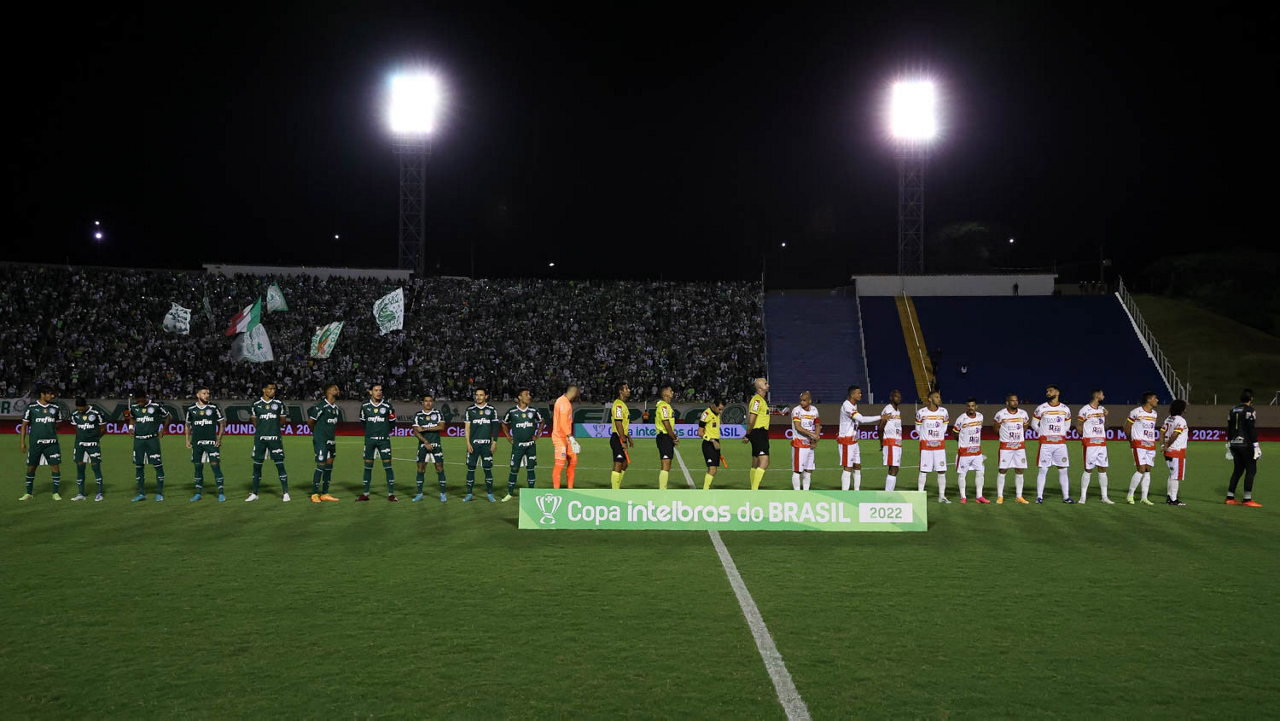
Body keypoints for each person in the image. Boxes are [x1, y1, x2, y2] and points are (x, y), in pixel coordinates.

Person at [19, 385, 63, 501]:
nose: (52, 396)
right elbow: (24, 426)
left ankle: (55, 493)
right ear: (42, 394)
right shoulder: (31, 407)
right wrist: (22, 442)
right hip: (36, 444)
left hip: (51, 444)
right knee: (31, 468)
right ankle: (28, 493)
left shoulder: (55, 408)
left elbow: (58, 425)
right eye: (50, 394)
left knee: (55, 467)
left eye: (53, 394)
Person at [248, 381, 289, 502]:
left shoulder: (279, 404)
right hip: (260, 439)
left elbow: (282, 421)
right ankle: (255, 493)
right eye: (270, 389)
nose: (273, 391)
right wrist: (262, 430)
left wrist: (273, 429)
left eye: (274, 389)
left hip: (275, 438)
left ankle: (285, 493)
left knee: (280, 464)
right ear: (264, 390)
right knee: (257, 466)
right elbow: (254, 421)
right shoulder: (256, 404)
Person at [1032, 384, 1073, 504]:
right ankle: (1039, 497)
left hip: (1060, 444)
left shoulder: (1065, 409)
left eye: (1050, 391)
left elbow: (1067, 426)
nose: (1048, 393)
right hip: (1045, 444)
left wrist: (1058, 434)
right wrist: (1043, 433)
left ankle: (1066, 497)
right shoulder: (1041, 408)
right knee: (1043, 470)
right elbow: (1034, 424)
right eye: (1047, 391)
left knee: (1063, 470)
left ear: (1057, 392)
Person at [501, 388, 545, 501]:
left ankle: (531, 492)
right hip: (518, 446)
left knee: (531, 468)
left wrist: (538, 434)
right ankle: (510, 493)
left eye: (529, 394)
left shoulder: (533, 411)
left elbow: (542, 421)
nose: (529, 396)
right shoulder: (512, 412)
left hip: (530, 445)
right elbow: (504, 423)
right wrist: (508, 436)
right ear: (520, 397)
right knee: (514, 469)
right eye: (526, 395)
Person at [357, 382, 398, 502]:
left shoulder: (388, 406)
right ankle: (365, 494)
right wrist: (371, 433)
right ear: (370, 392)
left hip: (384, 441)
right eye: (376, 390)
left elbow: (392, 423)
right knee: (368, 468)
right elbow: (363, 422)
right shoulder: (365, 406)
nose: (378, 392)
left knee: (388, 467)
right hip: (369, 441)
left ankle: (391, 494)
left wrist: (384, 432)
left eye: (380, 390)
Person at [185, 386, 226, 502]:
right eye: (204, 393)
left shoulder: (213, 408)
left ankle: (221, 493)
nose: (207, 395)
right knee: (198, 467)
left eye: (208, 393)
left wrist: (219, 439)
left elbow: (222, 423)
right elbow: (187, 425)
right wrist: (187, 440)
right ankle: (198, 493)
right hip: (197, 443)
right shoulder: (191, 409)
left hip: (211, 443)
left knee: (215, 466)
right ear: (198, 395)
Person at [127, 391, 169, 502]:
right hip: (138, 440)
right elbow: (132, 417)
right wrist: (131, 427)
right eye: (138, 401)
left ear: (146, 398)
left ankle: (160, 493)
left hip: (152, 440)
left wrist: (163, 429)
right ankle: (141, 494)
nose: (140, 403)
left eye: (142, 401)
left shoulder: (155, 406)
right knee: (139, 466)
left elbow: (168, 417)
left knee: (157, 465)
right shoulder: (134, 407)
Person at [837, 385, 880, 491]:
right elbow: (862, 419)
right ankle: (845, 493)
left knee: (857, 466)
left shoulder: (854, 405)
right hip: (846, 440)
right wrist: (881, 417)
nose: (861, 395)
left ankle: (857, 491)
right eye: (859, 393)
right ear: (852, 394)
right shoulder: (847, 406)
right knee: (848, 467)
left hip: (854, 441)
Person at [1076, 388, 1114, 504]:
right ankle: (1083, 497)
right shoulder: (1085, 410)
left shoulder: (1102, 409)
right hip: (1090, 444)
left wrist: (1106, 416)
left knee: (1103, 469)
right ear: (1097, 396)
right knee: (1088, 469)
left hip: (1102, 444)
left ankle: (1104, 497)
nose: (1104, 397)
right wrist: (1086, 437)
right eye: (1102, 395)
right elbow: (1078, 426)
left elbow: (1106, 427)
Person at [1225, 389, 1262, 507]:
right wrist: (1256, 445)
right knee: (1251, 470)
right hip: (1245, 444)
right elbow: (1251, 428)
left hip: (1234, 443)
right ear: (1251, 399)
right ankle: (1247, 499)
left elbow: (1229, 428)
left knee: (1237, 470)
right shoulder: (1249, 410)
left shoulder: (1232, 410)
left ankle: (1230, 497)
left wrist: (1229, 444)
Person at [306, 383, 342, 503]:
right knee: (321, 465)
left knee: (329, 466)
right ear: (329, 392)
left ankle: (325, 493)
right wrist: (316, 434)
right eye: (335, 389)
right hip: (321, 440)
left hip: (331, 441)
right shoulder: (321, 406)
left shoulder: (336, 409)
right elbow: (310, 422)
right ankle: (314, 493)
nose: (338, 390)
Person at [993, 393, 1031, 503]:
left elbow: (1026, 425)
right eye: (1012, 401)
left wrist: (1020, 433)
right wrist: (1005, 436)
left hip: (1019, 447)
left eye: (1016, 400)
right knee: (1003, 470)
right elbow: (995, 429)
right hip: (1006, 448)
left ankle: (1019, 496)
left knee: (1019, 470)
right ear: (1007, 402)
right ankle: (1000, 496)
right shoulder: (1001, 414)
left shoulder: (1023, 414)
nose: (1015, 402)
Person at [1124, 391, 1160, 506]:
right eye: (1155, 398)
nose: (1157, 400)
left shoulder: (1154, 414)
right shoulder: (1136, 412)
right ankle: (1130, 494)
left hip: (1151, 445)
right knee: (1141, 469)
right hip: (1139, 445)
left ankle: (1144, 497)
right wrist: (1131, 441)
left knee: (1148, 470)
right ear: (1149, 400)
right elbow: (1126, 428)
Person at [463, 387, 498, 502]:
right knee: (471, 469)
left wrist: (494, 442)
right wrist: (468, 443)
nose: (478, 397)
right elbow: (467, 428)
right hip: (473, 445)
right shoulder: (470, 410)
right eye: (477, 395)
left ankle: (490, 494)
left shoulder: (491, 409)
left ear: (486, 396)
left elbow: (495, 427)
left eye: (481, 395)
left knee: (487, 469)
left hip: (487, 445)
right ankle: (469, 494)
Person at [411, 393, 448, 502]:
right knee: (420, 469)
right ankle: (419, 494)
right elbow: (416, 431)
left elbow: (441, 426)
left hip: (436, 445)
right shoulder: (418, 415)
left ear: (433, 402)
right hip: (423, 446)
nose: (428, 403)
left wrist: (426, 428)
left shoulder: (438, 413)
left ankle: (442, 494)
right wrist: (426, 442)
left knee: (439, 468)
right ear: (422, 403)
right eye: (426, 401)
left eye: (430, 401)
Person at [916, 390, 950, 502]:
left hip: (939, 447)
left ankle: (942, 496)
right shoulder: (921, 412)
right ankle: (920, 496)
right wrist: (925, 438)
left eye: (939, 397)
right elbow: (918, 428)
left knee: (941, 470)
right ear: (930, 399)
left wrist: (939, 436)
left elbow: (945, 425)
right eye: (936, 397)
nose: (939, 399)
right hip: (926, 447)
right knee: (923, 471)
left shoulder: (944, 412)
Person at [69, 397, 106, 502]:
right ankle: (81, 493)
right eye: (78, 409)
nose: (80, 411)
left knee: (96, 468)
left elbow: (103, 428)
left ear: (86, 405)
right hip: (80, 445)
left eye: (82, 409)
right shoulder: (75, 415)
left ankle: (99, 493)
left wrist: (95, 438)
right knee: (80, 468)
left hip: (93, 445)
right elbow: (76, 428)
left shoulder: (96, 413)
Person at [953, 397, 986, 503]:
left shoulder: (980, 417)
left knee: (980, 472)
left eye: (973, 406)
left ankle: (979, 496)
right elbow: (955, 433)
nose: (971, 408)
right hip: (964, 452)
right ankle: (963, 497)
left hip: (977, 452)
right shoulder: (961, 419)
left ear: (976, 407)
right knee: (962, 474)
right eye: (969, 406)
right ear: (966, 407)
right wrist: (963, 443)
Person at [1160, 399, 1189, 506]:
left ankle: (1169, 497)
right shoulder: (1181, 420)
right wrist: (1167, 445)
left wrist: (1163, 445)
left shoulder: (1168, 419)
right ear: (1181, 408)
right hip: (1177, 451)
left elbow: (1162, 432)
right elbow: (1175, 435)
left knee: (1172, 474)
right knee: (1175, 476)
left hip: (1168, 452)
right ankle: (1173, 499)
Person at [790, 391, 820, 490]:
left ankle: (806, 492)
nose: (801, 402)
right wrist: (812, 435)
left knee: (808, 470)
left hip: (810, 445)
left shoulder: (814, 410)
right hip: (799, 443)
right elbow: (798, 427)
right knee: (798, 470)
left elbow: (817, 425)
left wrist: (815, 439)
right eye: (801, 400)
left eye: (804, 400)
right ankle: (797, 493)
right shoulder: (797, 411)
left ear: (809, 401)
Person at [744, 377, 771, 489]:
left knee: (755, 461)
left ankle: (753, 486)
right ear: (760, 387)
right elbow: (752, 418)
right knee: (764, 461)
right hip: (759, 432)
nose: (768, 385)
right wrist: (748, 434)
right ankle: (754, 489)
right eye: (765, 383)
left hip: (758, 433)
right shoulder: (757, 400)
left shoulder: (761, 400)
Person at [551, 384, 579, 489]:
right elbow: (562, 423)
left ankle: (570, 489)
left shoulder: (565, 402)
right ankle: (556, 491)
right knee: (560, 464)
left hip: (566, 437)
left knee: (573, 461)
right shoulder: (563, 403)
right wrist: (571, 438)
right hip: (560, 437)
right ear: (574, 393)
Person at [877, 390, 904, 490]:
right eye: (896, 396)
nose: (899, 398)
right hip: (891, 443)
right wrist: (882, 442)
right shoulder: (888, 409)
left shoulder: (897, 411)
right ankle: (888, 494)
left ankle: (890, 492)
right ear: (891, 398)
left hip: (897, 444)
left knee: (893, 468)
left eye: (900, 396)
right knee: (894, 468)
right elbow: (880, 427)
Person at [609, 382, 633, 489]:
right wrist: (623, 440)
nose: (629, 390)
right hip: (618, 438)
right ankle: (615, 491)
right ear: (621, 392)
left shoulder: (622, 405)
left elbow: (623, 424)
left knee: (624, 464)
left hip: (621, 437)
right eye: (626, 388)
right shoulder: (618, 405)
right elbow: (618, 423)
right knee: (618, 463)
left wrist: (628, 437)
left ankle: (617, 486)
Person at [654, 385, 679, 489]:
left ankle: (663, 488)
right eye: (670, 390)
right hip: (664, 436)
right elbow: (666, 424)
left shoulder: (666, 406)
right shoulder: (664, 406)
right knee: (665, 463)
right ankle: (662, 490)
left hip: (666, 437)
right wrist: (674, 437)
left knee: (667, 464)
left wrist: (673, 436)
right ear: (665, 393)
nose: (672, 392)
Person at [699, 398, 726, 489]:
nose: (721, 412)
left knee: (712, 469)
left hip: (715, 442)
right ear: (714, 405)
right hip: (708, 443)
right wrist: (713, 441)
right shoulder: (706, 414)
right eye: (719, 409)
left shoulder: (716, 413)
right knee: (713, 469)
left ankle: (706, 489)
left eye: (722, 409)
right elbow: (699, 432)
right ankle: (705, 490)